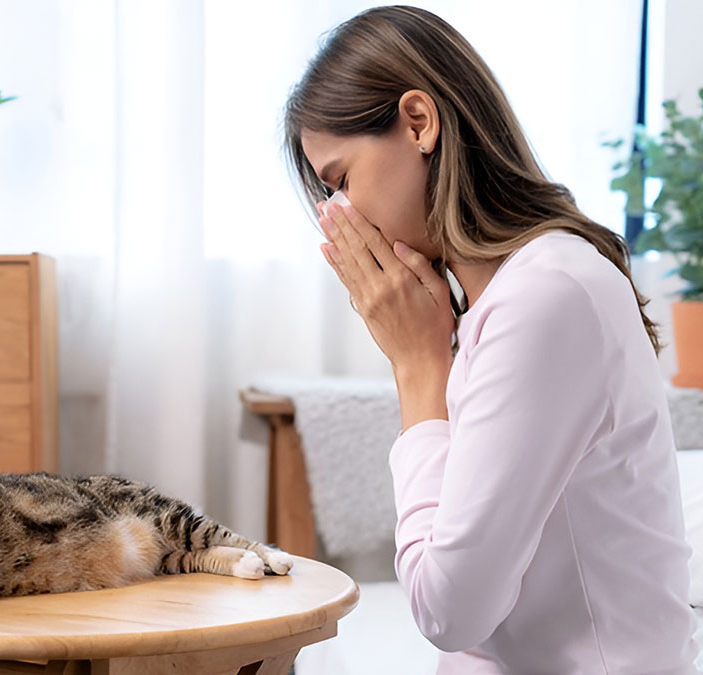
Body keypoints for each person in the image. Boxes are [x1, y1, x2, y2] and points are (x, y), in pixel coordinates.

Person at [282, 5, 699, 674]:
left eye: (340, 180)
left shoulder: (546, 293)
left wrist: (419, 370)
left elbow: (449, 609)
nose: (339, 218)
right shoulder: (500, 301)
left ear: (418, 123)